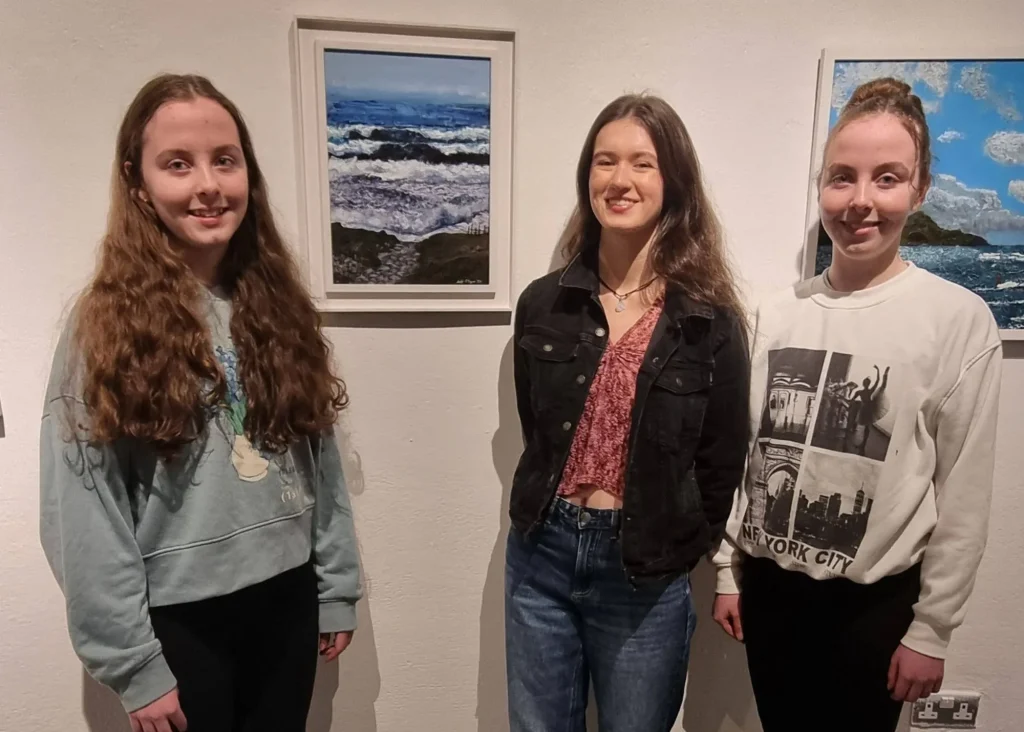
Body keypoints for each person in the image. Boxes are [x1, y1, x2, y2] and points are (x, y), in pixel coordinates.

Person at [39, 73, 362, 732]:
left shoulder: (278, 306)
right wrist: (131, 662)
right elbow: (83, 507)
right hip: (181, 623)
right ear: (138, 183)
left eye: (225, 160)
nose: (208, 185)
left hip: (287, 599)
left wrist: (336, 586)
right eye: (178, 165)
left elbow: (318, 455)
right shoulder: (101, 324)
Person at [711, 77, 1002, 732]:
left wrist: (933, 629)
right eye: (842, 178)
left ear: (920, 189)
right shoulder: (776, 314)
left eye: (887, 178)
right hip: (773, 590)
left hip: (877, 606)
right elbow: (744, 455)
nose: (860, 201)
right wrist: (729, 568)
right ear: (821, 187)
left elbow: (964, 493)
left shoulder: (958, 321)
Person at [506, 93, 751, 731]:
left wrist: (678, 541)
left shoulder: (710, 321)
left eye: (642, 164)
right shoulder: (543, 302)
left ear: (673, 180)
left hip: (645, 570)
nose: (620, 180)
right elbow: (537, 427)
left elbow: (723, 459)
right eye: (604, 161)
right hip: (543, 555)